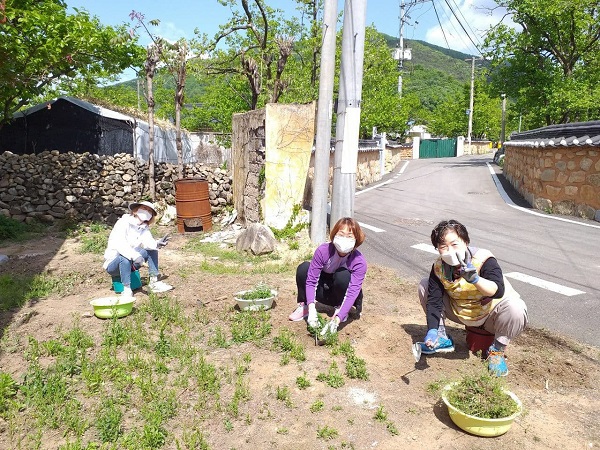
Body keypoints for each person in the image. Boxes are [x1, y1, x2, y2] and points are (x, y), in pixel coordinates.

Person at [418, 219, 528, 376]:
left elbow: (497, 290)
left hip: (491, 314)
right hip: (462, 311)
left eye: (454, 244)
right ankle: (441, 337)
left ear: (466, 242)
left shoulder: (484, 260)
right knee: (425, 285)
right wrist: (432, 329)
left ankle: (497, 352)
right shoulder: (438, 267)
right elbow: (434, 301)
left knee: (516, 308)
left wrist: (476, 280)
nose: (450, 251)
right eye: (443, 247)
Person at [289, 217, 367, 337]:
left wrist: (337, 320)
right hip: (323, 288)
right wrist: (311, 307)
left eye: (349, 236)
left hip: (339, 293)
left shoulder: (359, 262)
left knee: (343, 275)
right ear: (334, 234)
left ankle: (341, 310)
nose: (344, 239)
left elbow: (353, 291)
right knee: (304, 268)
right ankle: (305, 306)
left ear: (356, 240)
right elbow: (311, 281)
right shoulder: (323, 251)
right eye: (341, 234)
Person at [103, 200, 173, 297]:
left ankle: (154, 282)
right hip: (114, 265)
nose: (146, 212)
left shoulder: (144, 227)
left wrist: (157, 244)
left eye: (149, 211)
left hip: (132, 262)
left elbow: (148, 242)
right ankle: (126, 289)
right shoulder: (123, 223)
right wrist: (136, 256)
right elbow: (120, 244)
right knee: (124, 257)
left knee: (151, 249)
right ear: (135, 211)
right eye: (144, 209)